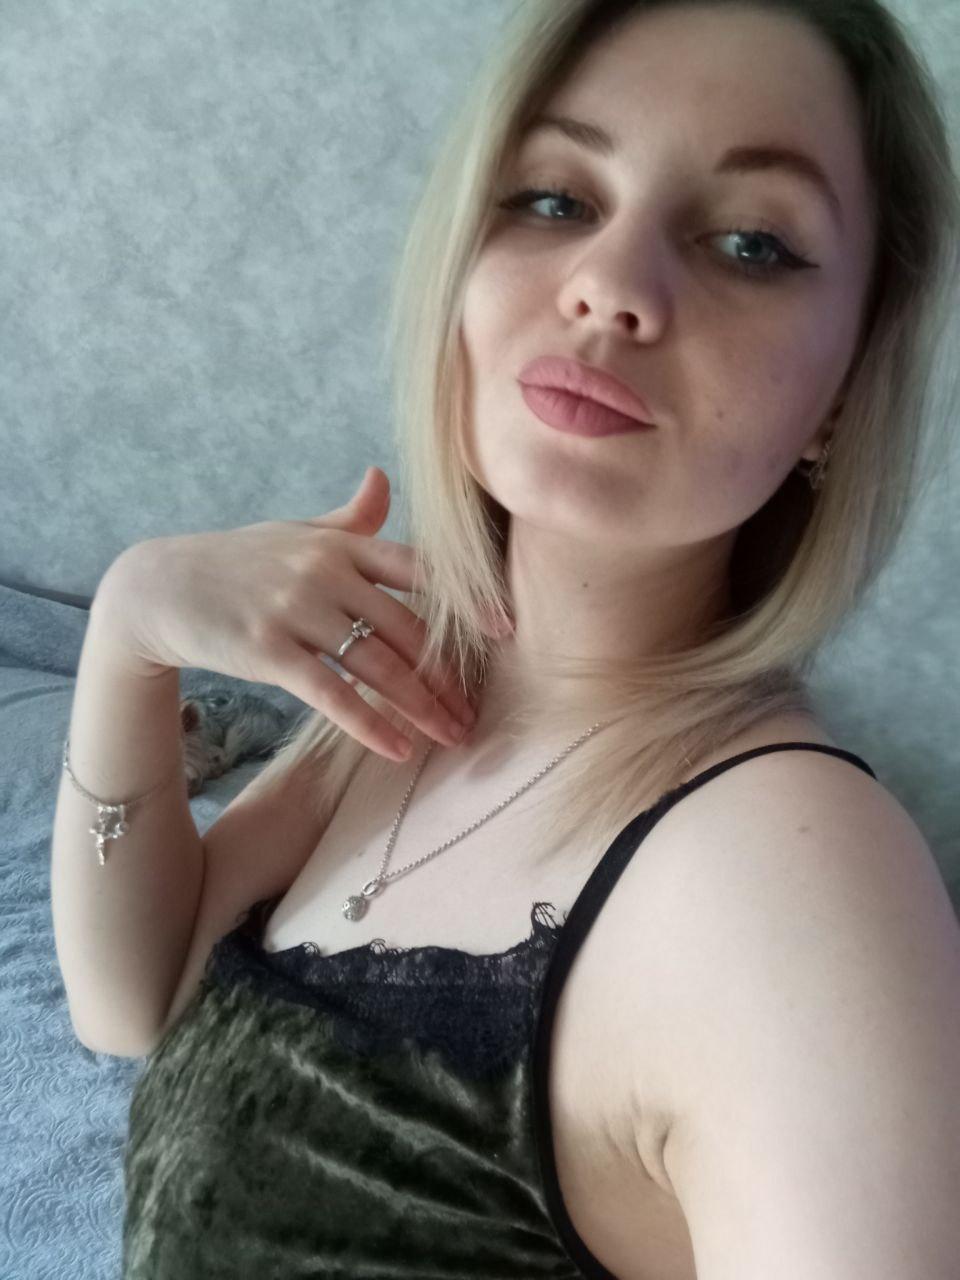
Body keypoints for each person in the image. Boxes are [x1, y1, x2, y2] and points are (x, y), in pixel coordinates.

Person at [52, 1, 960, 1276]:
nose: (612, 287)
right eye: (553, 198)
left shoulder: (796, 887)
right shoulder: (428, 675)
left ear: (846, 388)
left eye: (751, 242)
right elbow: (131, 999)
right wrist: (131, 626)